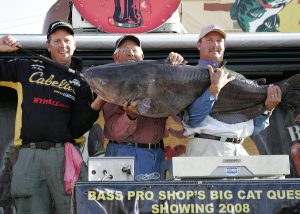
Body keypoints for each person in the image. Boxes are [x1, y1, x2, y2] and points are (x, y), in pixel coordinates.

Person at [0, 21, 102, 213]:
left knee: (75, 208)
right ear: (48, 45)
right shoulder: (27, 66)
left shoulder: (82, 82)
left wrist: (99, 102)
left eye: (67, 40)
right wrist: (0, 47)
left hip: (63, 155)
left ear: (74, 45)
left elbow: (77, 128)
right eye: (57, 41)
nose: (62, 45)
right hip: (29, 154)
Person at [183, 24, 282, 156]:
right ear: (198, 45)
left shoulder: (238, 78)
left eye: (219, 41)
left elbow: (254, 127)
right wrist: (213, 90)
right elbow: (192, 120)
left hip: (238, 148)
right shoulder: (188, 75)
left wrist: (268, 109)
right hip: (207, 148)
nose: (215, 45)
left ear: (224, 46)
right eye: (209, 40)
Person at [102, 35, 184, 180]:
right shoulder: (111, 82)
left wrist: (175, 66)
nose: (130, 53)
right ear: (115, 57)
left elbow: (179, 101)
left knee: (151, 202)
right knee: (118, 202)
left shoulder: (157, 78)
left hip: (153, 155)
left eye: (135, 50)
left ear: (142, 56)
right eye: (124, 50)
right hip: (121, 152)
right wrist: (130, 116)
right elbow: (116, 133)